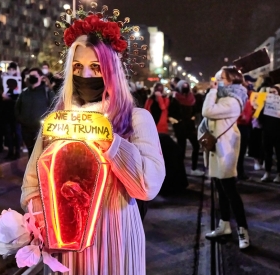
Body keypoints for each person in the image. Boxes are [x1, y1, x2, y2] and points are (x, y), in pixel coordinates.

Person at [20, 10, 165, 275]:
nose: (85, 74)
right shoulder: (56, 121)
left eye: (95, 67)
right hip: (64, 252)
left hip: (116, 244)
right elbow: (31, 183)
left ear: (111, 71)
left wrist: (111, 142)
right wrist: (39, 215)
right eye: (77, 67)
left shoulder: (136, 119)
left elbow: (147, 186)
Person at [200, 67, 250, 249]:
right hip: (216, 149)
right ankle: (224, 225)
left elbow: (207, 111)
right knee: (220, 190)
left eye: (222, 78)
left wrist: (212, 91)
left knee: (231, 193)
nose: (217, 81)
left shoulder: (233, 101)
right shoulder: (223, 97)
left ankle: (243, 231)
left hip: (225, 150)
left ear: (232, 81)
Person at [15, 68, 55, 158]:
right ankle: (31, 171)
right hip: (26, 129)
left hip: (41, 130)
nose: (31, 77)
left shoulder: (47, 92)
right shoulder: (24, 92)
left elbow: (54, 108)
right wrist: (21, 120)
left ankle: (39, 171)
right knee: (30, 153)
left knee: (40, 155)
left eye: (34, 76)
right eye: (30, 76)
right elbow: (17, 108)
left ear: (41, 77)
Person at [169, 80, 204, 176]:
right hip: (180, 127)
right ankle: (180, 172)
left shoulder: (191, 98)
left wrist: (193, 118)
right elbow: (171, 113)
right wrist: (177, 122)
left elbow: (195, 110)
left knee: (196, 146)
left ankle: (194, 168)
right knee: (181, 150)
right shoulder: (175, 98)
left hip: (190, 126)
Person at [259, 86, 280, 182]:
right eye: (270, 92)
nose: (272, 94)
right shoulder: (265, 105)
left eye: (274, 92)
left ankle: (279, 174)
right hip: (267, 132)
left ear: (279, 93)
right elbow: (260, 119)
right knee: (268, 154)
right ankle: (267, 173)